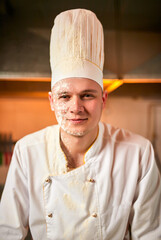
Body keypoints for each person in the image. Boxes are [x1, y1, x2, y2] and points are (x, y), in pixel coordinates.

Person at [0, 9, 161, 240]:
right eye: (65, 96)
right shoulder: (27, 151)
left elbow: (149, 235)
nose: (76, 108)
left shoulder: (138, 152)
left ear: (104, 99)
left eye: (87, 95)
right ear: (52, 101)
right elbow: (7, 233)